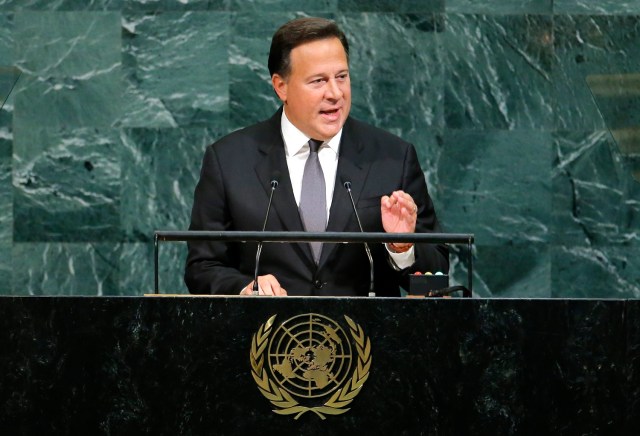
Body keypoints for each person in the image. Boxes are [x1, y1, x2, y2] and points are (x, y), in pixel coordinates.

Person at [184, 17, 448, 296]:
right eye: (318, 81)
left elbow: (438, 275)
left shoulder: (393, 158)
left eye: (341, 77)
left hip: (365, 337)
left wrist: (403, 247)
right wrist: (243, 288)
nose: (335, 93)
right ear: (281, 86)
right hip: (266, 336)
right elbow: (202, 267)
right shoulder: (229, 160)